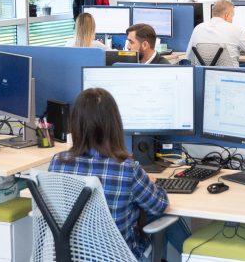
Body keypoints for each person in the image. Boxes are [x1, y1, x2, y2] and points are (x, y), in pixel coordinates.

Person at [48, 88, 189, 260]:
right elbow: (161, 205)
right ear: (114, 124)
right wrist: (147, 182)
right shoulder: (127, 169)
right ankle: (195, 254)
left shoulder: (58, 163)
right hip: (121, 257)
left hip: (74, 257)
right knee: (160, 213)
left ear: (75, 123)